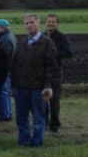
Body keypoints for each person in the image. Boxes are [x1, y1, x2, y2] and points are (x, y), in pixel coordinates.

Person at [11, 13, 59, 147]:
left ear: (38, 23)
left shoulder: (47, 43)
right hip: (20, 86)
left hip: (38, 87)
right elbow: (15, 65)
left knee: (39, 117)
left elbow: (52, 67)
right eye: (26, 23)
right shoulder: (21, 42)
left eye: (31, 22)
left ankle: (37, 142)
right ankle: (24, 140)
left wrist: (48, 85)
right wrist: (12, 86)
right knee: (21, 117)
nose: (29, 25)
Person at [44, 14, 72, 133]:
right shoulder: (42, 36)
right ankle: (43, 121)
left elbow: (69, 53)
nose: (50, 24)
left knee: (54, 99)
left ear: (57, 23)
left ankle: (55, 124)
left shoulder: (62, 37)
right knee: (43, 98)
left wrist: (54, 54)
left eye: (53, 22)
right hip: (42, 72)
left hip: (55, 72)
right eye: (49, 21)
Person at [0, 19, 17, 122]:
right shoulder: (11, 36)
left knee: (4, 92)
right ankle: (7, 112)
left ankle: (6, 114)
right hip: (9, 68)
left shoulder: (5, 39)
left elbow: (5, 56)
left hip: (5, 69)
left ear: (1, 28)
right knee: (6, 91)